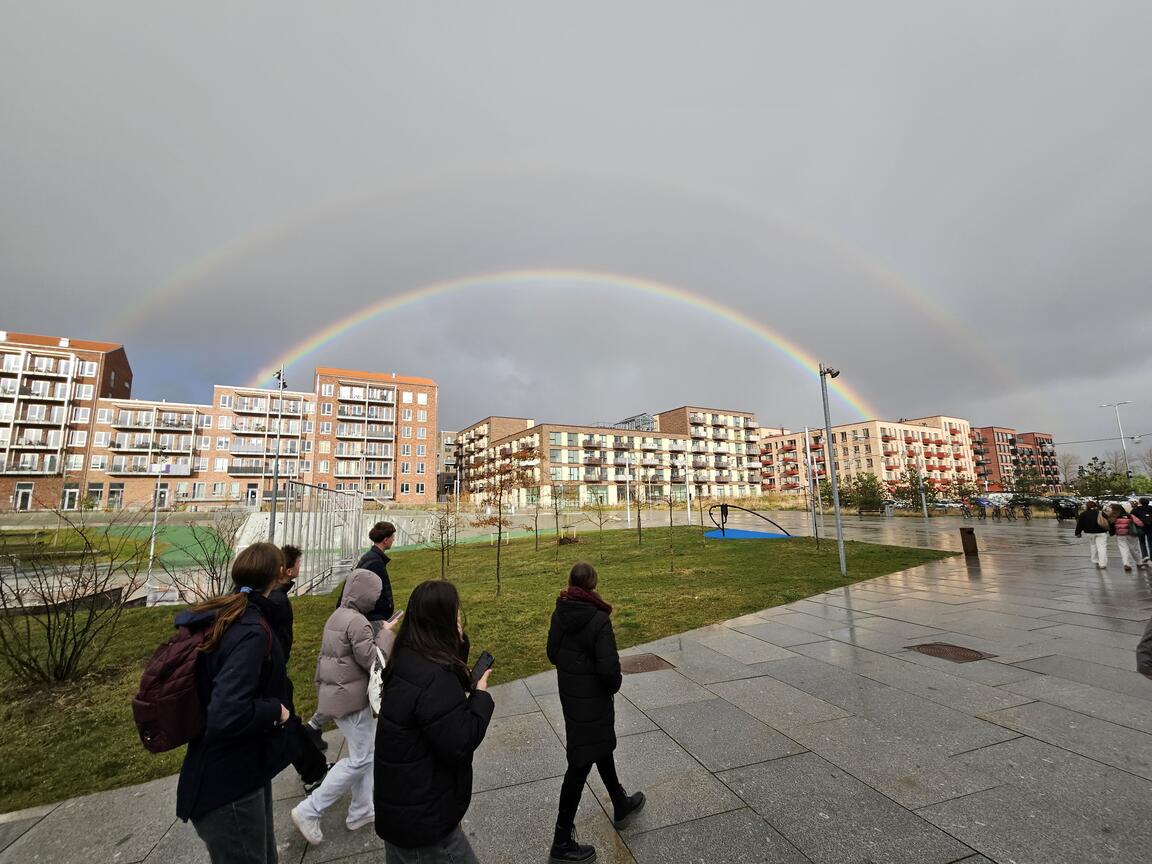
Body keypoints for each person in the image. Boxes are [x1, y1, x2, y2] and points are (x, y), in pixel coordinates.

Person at [175, 542, 295, 864]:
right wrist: (277, 711)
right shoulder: (250, 628)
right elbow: (227, 712)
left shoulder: (229, 613)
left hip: (238, 770)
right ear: (279, 574)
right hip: (228, 783)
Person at [374, 580, 494, 863]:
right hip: (426, 825)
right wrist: (480, 696)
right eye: (455, 615)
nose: (460, 619)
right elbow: (461, 740)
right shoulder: (433, 679)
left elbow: (441, 690)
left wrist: (458, 644)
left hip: (404, 809)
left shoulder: (409, 657)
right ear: (442, 622)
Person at [290, 569, 397, 846]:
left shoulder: (338, 616)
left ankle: (361, 810)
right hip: (351, 699)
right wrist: (385, 635)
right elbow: (374, 662)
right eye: (374, 595)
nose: (376, 600)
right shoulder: (358, 623)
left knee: (366, 753)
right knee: (361, 758)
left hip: (338, 695)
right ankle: (311, 809)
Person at [546, 562, 645, 864]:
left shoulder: (560, 611)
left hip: (572, 697)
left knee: (600, 747)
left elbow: (553, 653)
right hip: (594, 700)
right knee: (579, 765)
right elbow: (609, 673)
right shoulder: (598, 618)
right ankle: (561, 841)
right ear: (593, 585)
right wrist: (606, 682)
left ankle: (620, 802)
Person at [306, 521, 398, 746]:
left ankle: (314, 725)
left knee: (357, 674)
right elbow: (360, 592)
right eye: (392, 537)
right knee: (372, 667)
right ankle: (314, 725)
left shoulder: (373, 559)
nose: (393, 540)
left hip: (369, 621)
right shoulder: (373, 562)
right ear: (386, 539)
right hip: (370, 622)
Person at [265, 545, 330, 793]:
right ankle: (314, 771)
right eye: (298, 564)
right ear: (286, 570)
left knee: (289, 720)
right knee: (287, 722)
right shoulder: (277, 601)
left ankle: (313, 765)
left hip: (275, 670)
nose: (301, 568)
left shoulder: (274, 597)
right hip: (273, 672)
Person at [1107, 503, 1144, 573]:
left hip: (1120, 535)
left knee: (1123, 549)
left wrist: (1112, 533)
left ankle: (1126, 564)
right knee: (1134, 549)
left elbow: (1111, 527)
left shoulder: (1113, 517)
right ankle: (1139, 562)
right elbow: (1140, 523)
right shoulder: (1130, 515)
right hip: (1131, 534)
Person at [1074, 500, 1110, 569]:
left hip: (1089, 533)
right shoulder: (1101, 513)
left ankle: (1095, 560)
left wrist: (1078, 533)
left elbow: (1080, 524)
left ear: (1087, 506)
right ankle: (1102, 564)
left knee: (1093, 546)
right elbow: (1108, 521)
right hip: (1101, 532)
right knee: (1102, 547)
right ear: (1095, 506)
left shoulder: (1083, 514)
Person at [1132, 497, 1152, 564]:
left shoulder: (1136, 509)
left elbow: (1131, 517)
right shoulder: (1151, 508)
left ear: (1140, 502)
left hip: (1140, 528)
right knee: (1151, 542)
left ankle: (1145, 556)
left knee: (1142, 542)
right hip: (1150, 528)